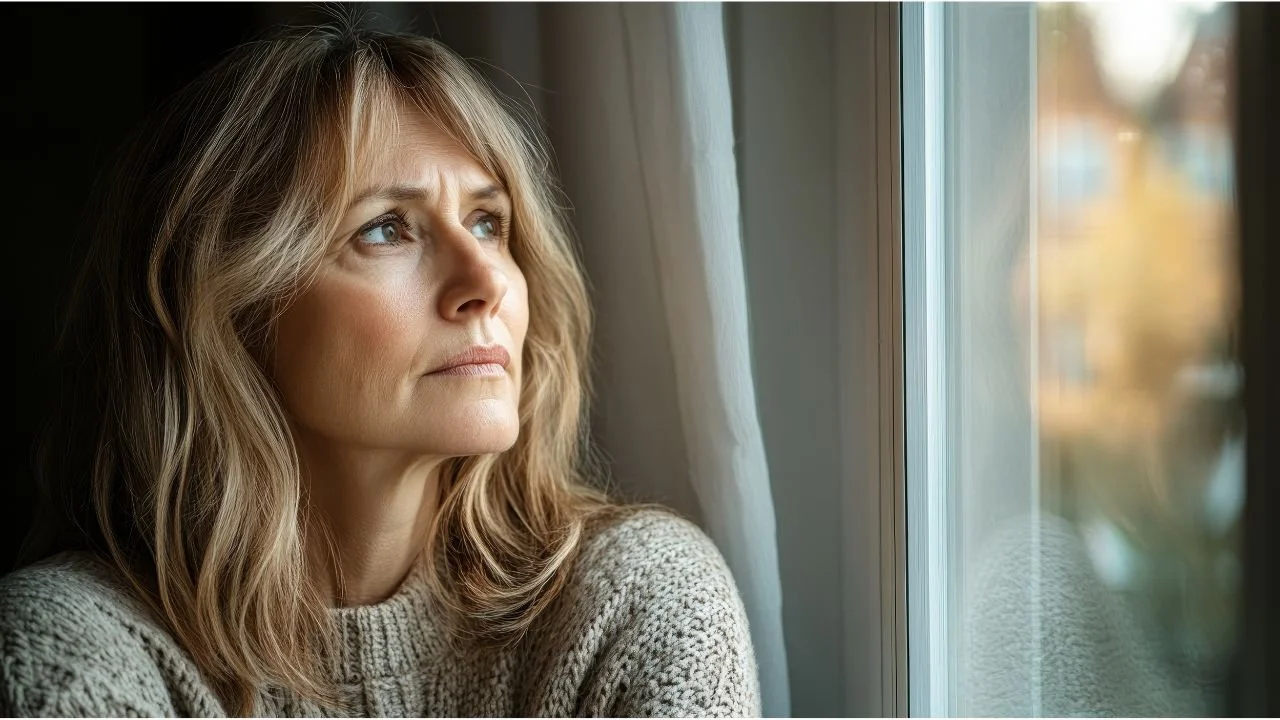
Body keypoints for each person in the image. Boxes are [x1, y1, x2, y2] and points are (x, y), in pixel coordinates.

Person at [0, 19, 760, 718]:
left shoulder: (634, 602)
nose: (486, 281)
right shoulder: (69, 649)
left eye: (487, 221)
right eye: (387, 229)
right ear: (230, 311)